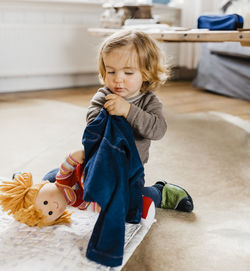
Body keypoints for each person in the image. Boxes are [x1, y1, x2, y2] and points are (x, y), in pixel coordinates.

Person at [86, 29, 194, 212]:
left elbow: (158, 129)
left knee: (128, 203)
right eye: (111, 71)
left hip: (130, 171)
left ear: (145, 73)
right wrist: (107, 113)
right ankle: (34, 186)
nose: (118, 79)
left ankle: (159, 192)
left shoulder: (149, 102)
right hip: (99, 164)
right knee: (75, 187)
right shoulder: (103, 95)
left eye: (128, 73)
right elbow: (91, 126)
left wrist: (128, 111)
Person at [0, 149, 154, 228]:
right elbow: (91, 206)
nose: (53, 207)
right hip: (106, 184)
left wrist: (76, 157)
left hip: (92, 169)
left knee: (50, 176)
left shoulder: (61, 180)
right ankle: (161, 192)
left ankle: (21, 181)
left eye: (46, 203)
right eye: (51, 213)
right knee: (131, 197)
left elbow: (67, 166)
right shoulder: (77, 203)